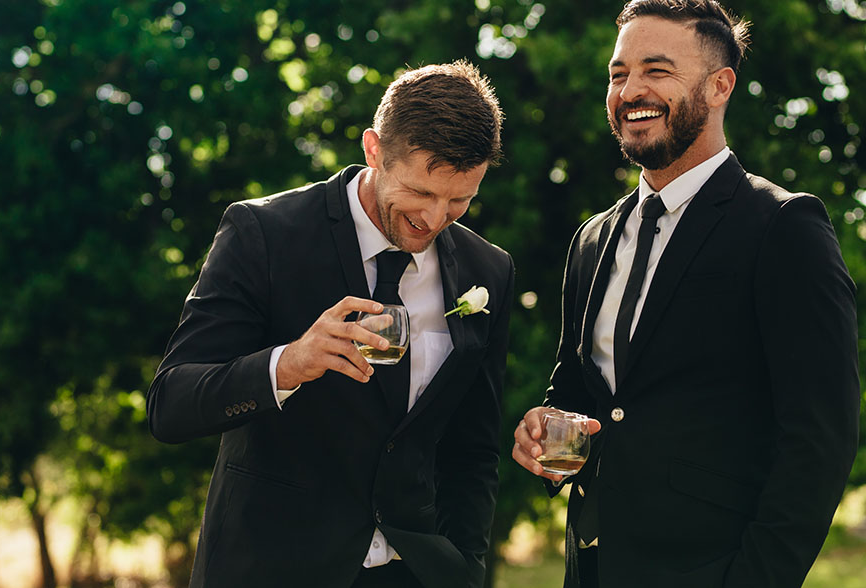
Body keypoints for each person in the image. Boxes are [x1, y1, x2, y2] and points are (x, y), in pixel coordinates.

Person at [511, 1, 860, 587]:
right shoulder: (592, 240)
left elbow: (820, 439)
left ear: (720, 85)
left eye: (657, 70)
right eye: (618, 74)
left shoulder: (784, 226)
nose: (630, 91)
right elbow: (581, 393)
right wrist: (545, 427)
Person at [148, 60, 513, 588]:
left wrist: (465, 571)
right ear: (374, 150)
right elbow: (171, 405)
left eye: (460, 200)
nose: (435, 219)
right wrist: (288, 364)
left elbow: (473, 451)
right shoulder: (263, 234)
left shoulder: (489, 270)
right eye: (421, 192)